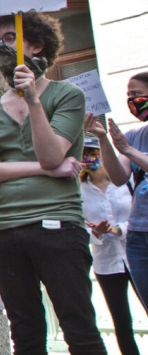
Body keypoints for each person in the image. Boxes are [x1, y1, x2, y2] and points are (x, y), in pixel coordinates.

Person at [0, 12, 104, 354]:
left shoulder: (66, 94)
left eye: (9, 38)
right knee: (25, 333)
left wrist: (32, 97)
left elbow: (52, 155)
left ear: (37, 45)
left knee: (79, 329)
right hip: (4, 228)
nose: (0, 45)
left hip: (58, 225)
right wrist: (44, 171)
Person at [87, 71, 148, 310]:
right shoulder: (134, 136)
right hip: (138, 234)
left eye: (137, 94)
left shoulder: (131, 144)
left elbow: (131, 157)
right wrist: (102, 139)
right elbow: (118, 177)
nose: (132, 101)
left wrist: (129, 151)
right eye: (128, 95)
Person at [78, 136, 138, 355]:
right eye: (83, 153)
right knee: (122, 323)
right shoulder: (80, 190)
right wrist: (95, 232)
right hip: (106, 263)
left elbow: (142, 216)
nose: (89, 158)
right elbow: (79, 226)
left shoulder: (125, 181)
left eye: (92, 152)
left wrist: (118, 229)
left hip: (137, 256)